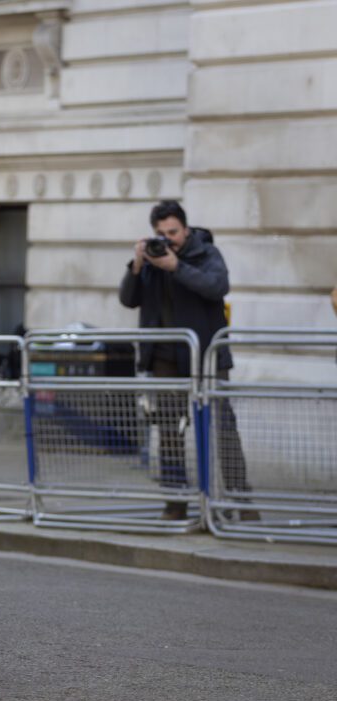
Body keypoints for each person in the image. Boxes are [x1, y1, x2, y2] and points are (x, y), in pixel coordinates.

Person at [119, 200, 256, 521]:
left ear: (186, 228)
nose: (168, 239)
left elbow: (217, 286)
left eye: (173, 232)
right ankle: (175, 503)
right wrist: (137, 265)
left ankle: (242, 503)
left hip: (207, 356)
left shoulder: (206, 253)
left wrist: (176, 267)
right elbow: (128, 299)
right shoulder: (151, 260)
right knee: (169, 432)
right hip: (165, 359)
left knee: (223, 430)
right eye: (160, 233)